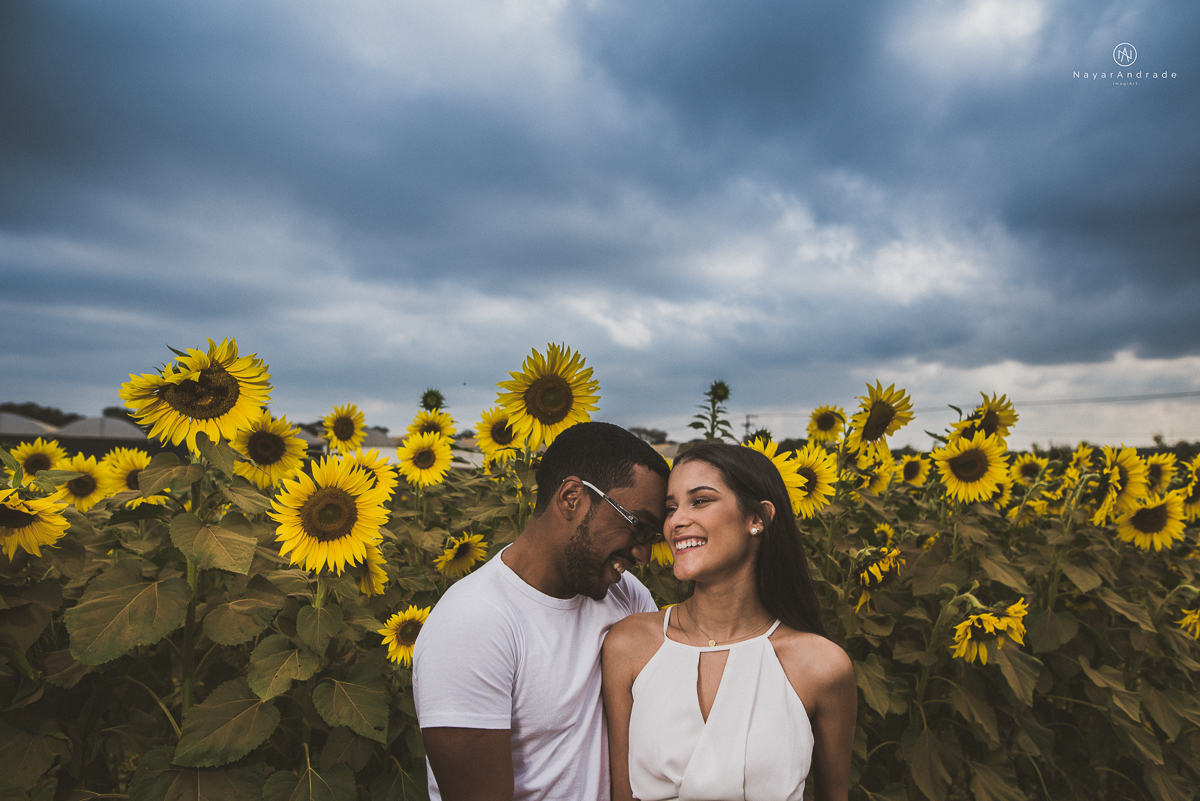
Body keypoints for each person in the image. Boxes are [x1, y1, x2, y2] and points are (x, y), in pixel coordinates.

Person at [413, 421, 670, 801]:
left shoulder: (627, 597)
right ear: (572, 497)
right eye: (638, 527)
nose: (643, 554)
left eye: (652, 538)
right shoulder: (472, 623)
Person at [602, 442, 857, 801]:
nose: (675, 521)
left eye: (700, 500)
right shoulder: (630, 644)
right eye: (671, 508)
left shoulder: (822, 666)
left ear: (758, 519)